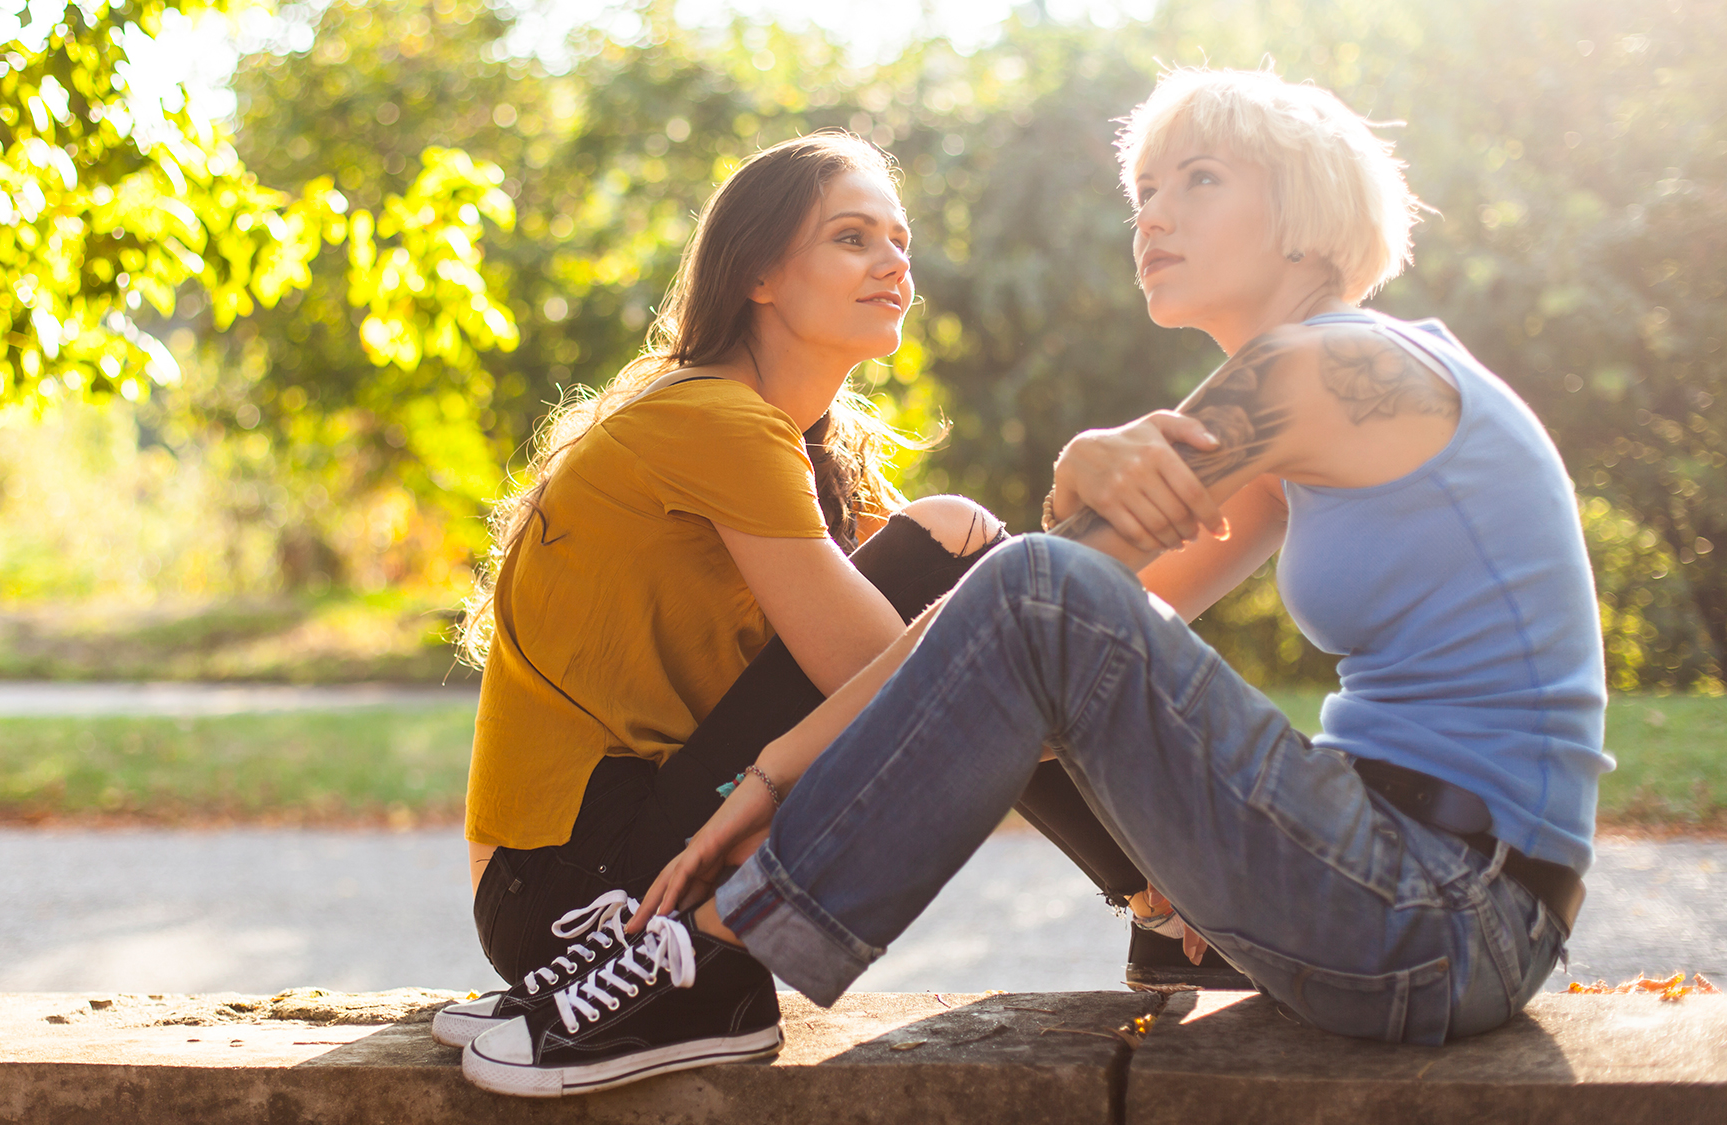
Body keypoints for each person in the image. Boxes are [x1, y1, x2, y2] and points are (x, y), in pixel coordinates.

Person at [455, 67, 1610, 1097]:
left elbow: (1037, 599)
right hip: (1399, 903)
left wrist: (1066, 489)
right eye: (1144, 190)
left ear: (1306, 212)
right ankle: (741, 946)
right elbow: (1010, 635)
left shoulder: (1334, 362)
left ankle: (700, 961)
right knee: (1033, 584)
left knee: (1036, 582)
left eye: (1197, 179)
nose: (1151, 213)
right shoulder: (1302, 415)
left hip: (1449, 914)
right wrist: (765, 779)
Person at [433, 132, 1015, 1047]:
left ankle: (1154, 903)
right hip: (579, 898)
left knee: (990, 584)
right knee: (966, 551)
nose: (894, 261)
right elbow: (904, 688)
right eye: (853, 237)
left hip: (591, 875)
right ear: (760, 275)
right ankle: (1159, 902)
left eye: (900, 240)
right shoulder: (717, 420)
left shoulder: (781, 439)